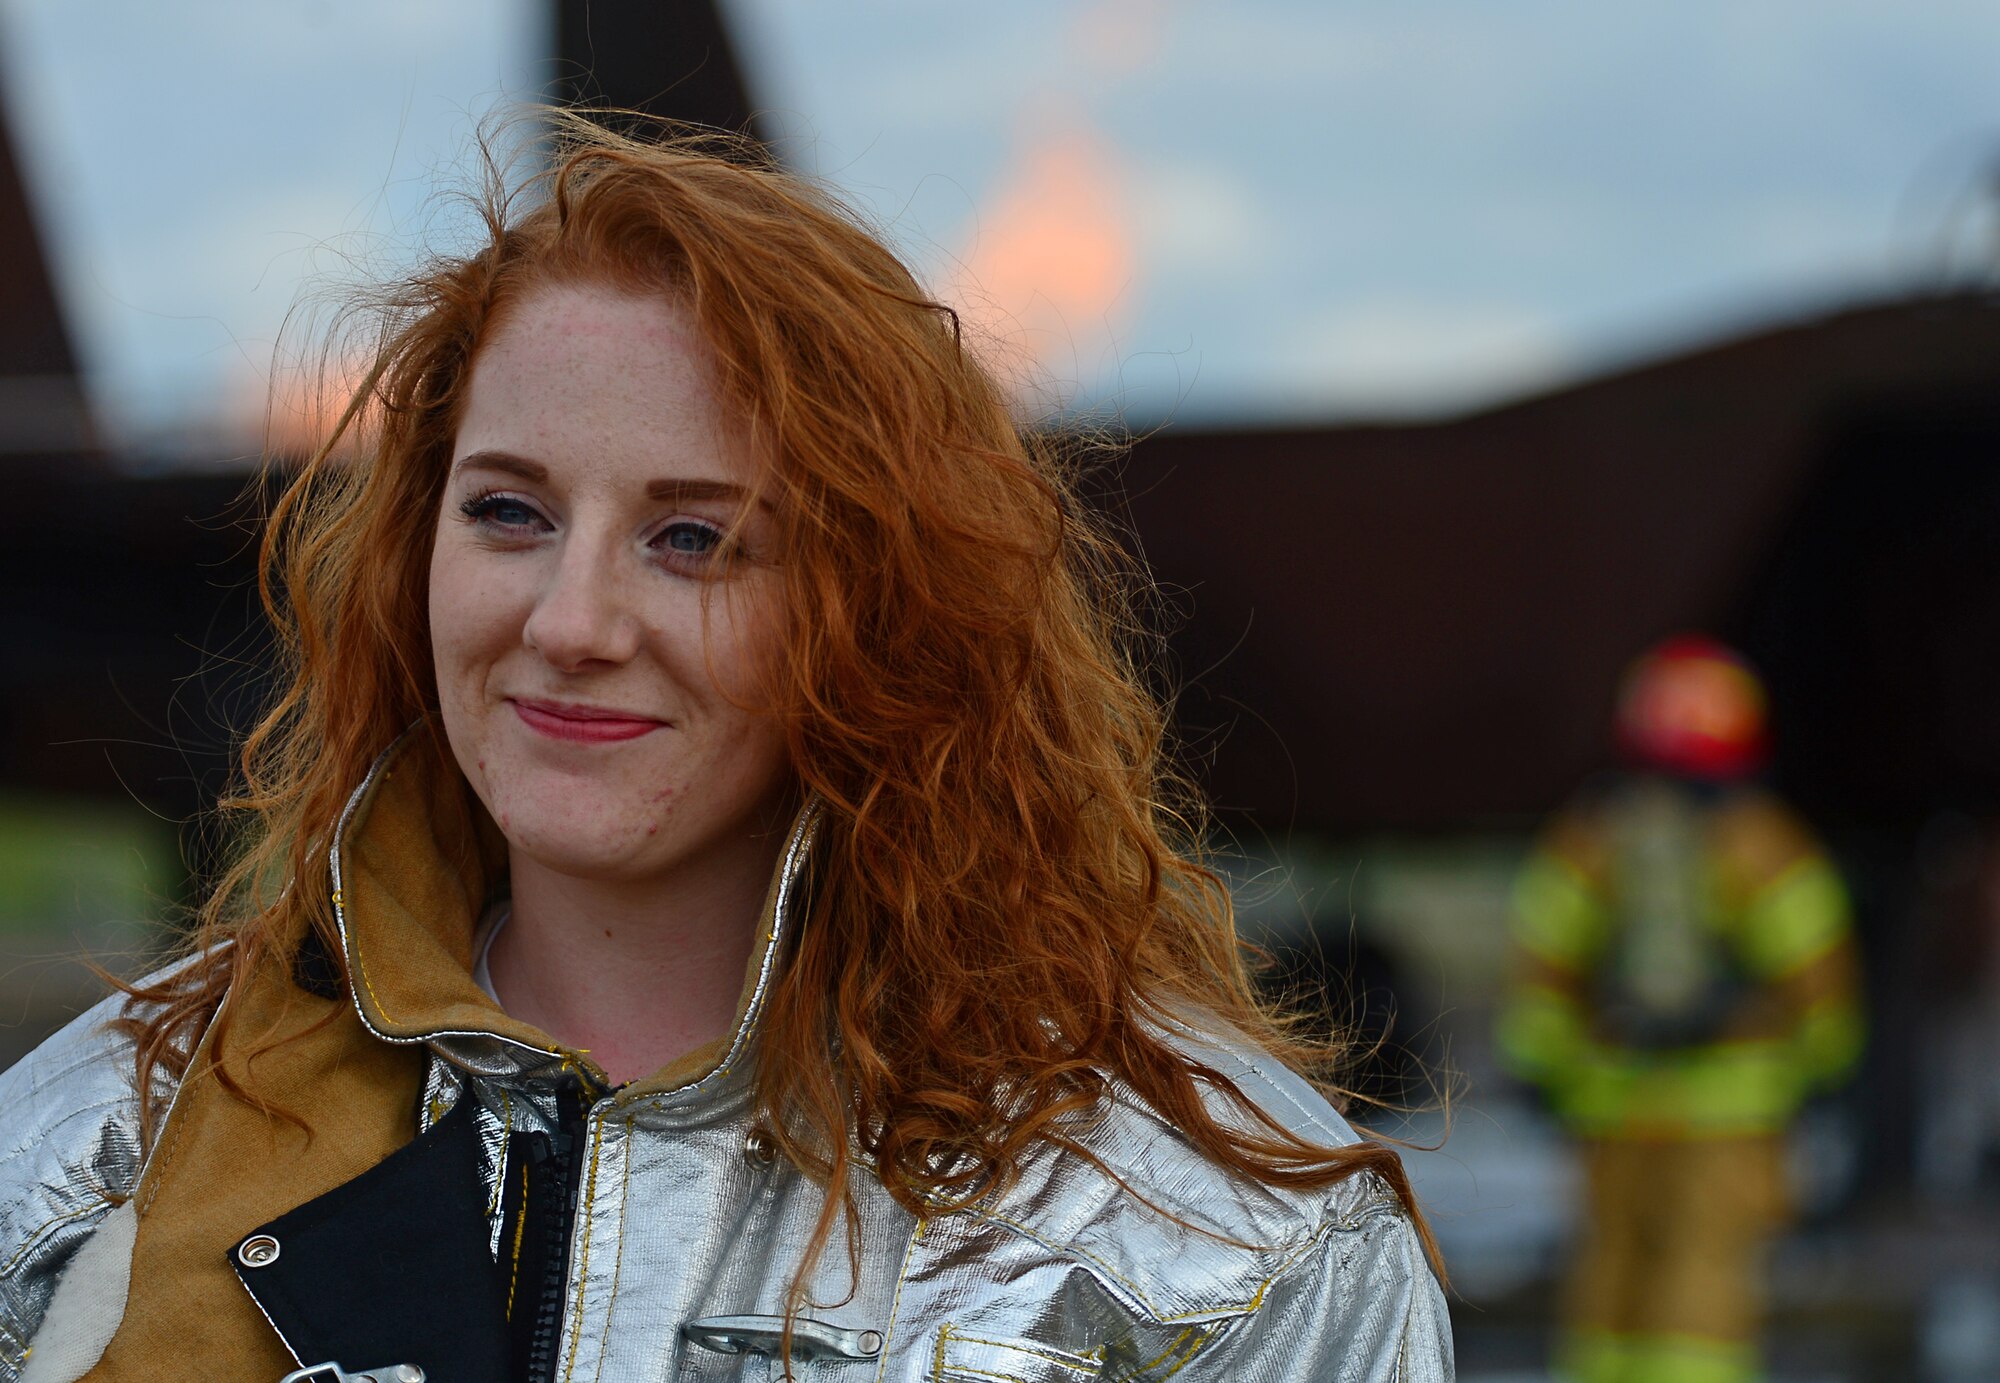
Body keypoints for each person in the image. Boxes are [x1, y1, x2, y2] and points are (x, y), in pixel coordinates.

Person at [0, 114, 1450, 1383]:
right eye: (508, 511)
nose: (572, 620)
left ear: (883, 609)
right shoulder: (97, 1152)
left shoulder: (1210, 1244)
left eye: (694, 537)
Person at [1496, 635, 1863, 1383]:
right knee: (1703, 1291)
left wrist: (1543, 1063)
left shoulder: (1592, 838)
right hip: (1730, 1113)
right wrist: (1828, 1063)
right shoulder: (1765, 844)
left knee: (1610, 1279)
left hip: (1614, 1102)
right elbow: (1815, 965)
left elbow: (1545, 952)